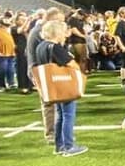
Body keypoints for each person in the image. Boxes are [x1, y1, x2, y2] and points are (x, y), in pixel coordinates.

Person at [34, 20, 87, 157]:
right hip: (63, 84)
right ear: (57, 32)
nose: (65, 35)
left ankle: (59, 146)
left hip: (52, 85)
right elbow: (72, 64)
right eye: (63, 32)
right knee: (68, 115)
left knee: (60, 115)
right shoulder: (55, 47)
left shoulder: (40, 46)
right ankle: (69, 147)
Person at [27, 7, 65, 145]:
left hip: (43, 69)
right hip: (40, 70)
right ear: (52, 19)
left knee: (54, 103)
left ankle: (55, 132)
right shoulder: (41, 32)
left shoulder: (40, 30)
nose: (62, 26)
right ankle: (51, 134)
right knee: (49, 103)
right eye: (60, 22)